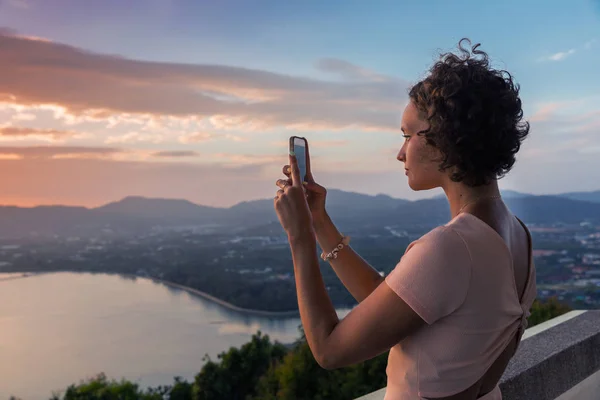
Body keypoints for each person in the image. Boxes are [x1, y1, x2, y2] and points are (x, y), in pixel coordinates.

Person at [273, 38, 537, 400]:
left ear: (446, 139)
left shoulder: (452, 247)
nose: (400, 153)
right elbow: (398, 302)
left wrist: (299, 237)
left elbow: (329, 349)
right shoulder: (518, 235)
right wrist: (319, 222)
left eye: (407, 135)